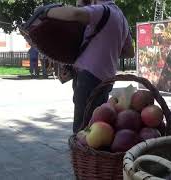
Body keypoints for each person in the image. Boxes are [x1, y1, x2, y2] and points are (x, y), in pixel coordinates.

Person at [45, 0, 134, 133]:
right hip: (106, 78)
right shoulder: (121, 18)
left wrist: (46, 11)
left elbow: (75, 14)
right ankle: (92, 152)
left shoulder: (102, 10)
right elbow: (129, 52)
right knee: (97, 123)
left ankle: (80, 152)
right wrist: (108, 49)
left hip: (89, 77)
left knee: (82, 127)